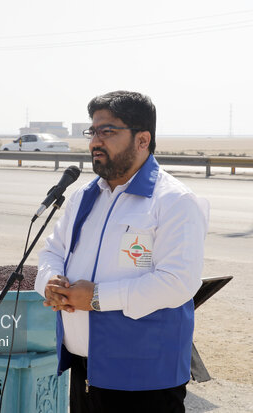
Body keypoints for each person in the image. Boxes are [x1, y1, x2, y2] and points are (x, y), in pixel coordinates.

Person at [35, 91, 209, 413]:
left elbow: (178, 283)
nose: (94, 142)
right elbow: (51, 251)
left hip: (144, 379)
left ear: (143, 140)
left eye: (108, 132)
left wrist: (98, 297)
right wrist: (49, 283)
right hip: (85, 371)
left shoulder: (174, 201)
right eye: (93, 132)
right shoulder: (84, 197)